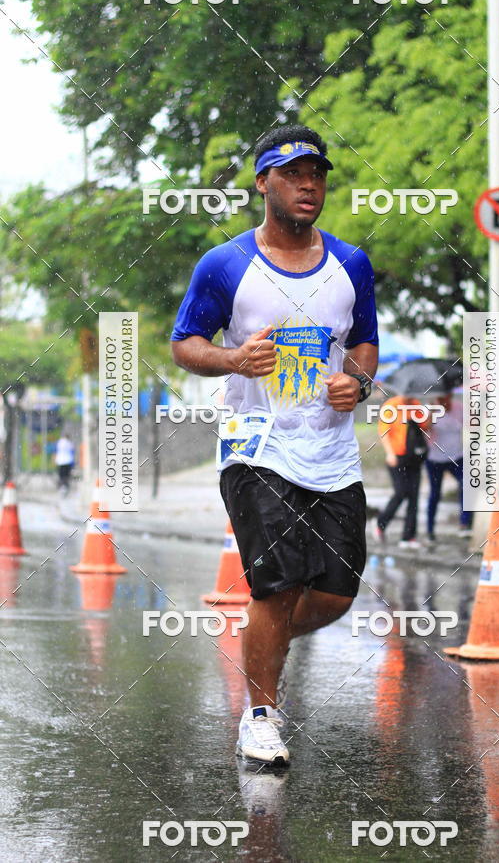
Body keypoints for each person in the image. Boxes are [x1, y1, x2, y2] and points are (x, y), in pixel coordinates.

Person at [171, 125, 378, 764]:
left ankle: (265, 636)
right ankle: (261, 714)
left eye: (316, 174)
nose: (307, 184)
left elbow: (366, 342)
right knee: (278, 582)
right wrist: (234, 359)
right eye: (291, 174)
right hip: (255, 445)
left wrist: (358, 382)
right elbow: (185, 344)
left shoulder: (350, 263)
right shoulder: (227, 263)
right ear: (263, 183)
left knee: (338, 593)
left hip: (331, 450)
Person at [372, 395, 429, 548]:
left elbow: (425, 427)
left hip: (414, 457)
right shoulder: (391, 406)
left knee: (414, 496)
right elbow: (384, 432)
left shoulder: (416, 404)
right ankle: (380, 523)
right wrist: (390, 453)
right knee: (401, 492)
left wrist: (428, 412)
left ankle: (408, 537)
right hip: (397, 458)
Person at [424, 392, 472, 542]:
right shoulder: (430, 409)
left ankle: (465, 524)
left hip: (456, 456)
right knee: (435, 494)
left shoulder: (459, 408)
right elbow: (425, 427)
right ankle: (430, 529)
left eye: (447, 397)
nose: (445, 401)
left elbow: (472, 424)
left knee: (466, 485)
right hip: (435, 458)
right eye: (441, 398)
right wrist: (432, 411)